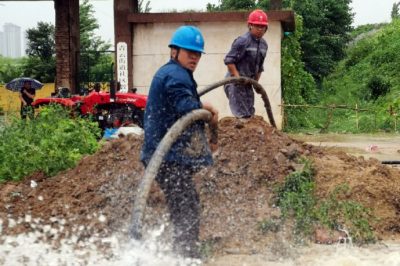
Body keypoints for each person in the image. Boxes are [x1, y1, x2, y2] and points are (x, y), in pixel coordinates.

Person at [140, 25, 218, 259]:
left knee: (184, 203)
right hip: (165, 157)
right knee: (187, 204)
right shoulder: (175, 75)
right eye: (189, 52)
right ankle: (187, 256)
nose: (194, 57)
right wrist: (208, 109)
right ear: (175, 51)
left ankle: (183, 253)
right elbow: (186, 107)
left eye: (197, 54)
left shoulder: (176, 73)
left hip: (167, 155)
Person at [224, 9, 269, 118]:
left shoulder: (264, 45)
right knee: (242, 115)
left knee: (250, 114)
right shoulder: (242, 41)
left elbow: (259, 67)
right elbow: (229, 60)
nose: (260, 29)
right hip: (235, 82)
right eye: (257, 26)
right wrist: (237, 77)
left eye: (262, 27)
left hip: (248, 84)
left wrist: (256, 83)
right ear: (250, 25)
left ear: (266, 28)